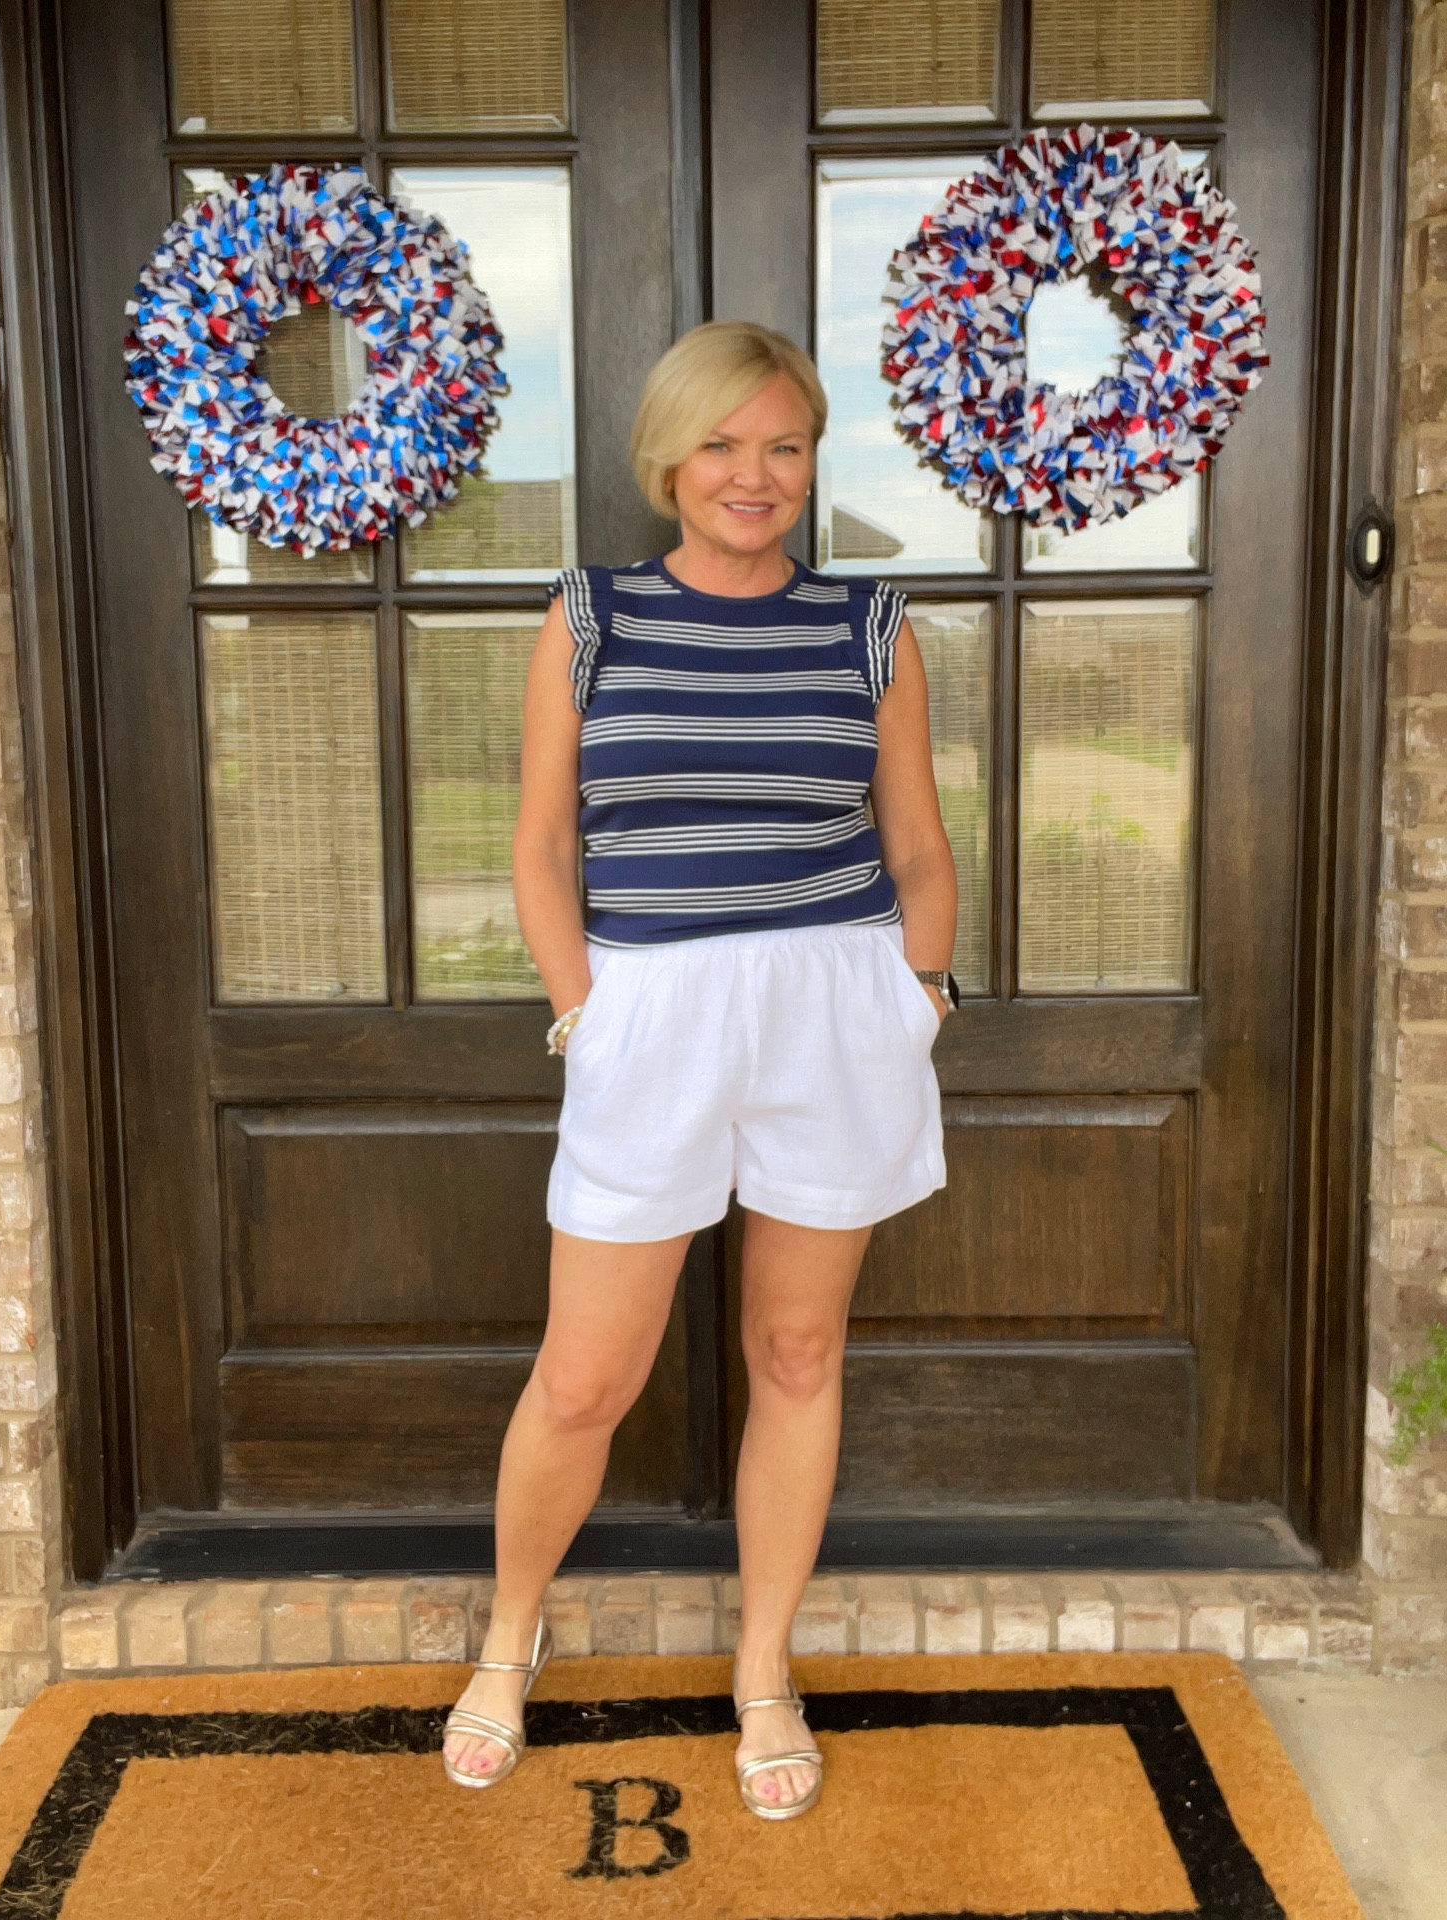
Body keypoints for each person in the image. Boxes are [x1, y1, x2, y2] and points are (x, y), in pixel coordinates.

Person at [441, 320, 958, 1819]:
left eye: (784, 446)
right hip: (651, 1013)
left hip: (836, 1004)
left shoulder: (871, 624)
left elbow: (917, 841)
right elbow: (543, 843)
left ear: (811, 461)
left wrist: (918, 995)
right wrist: (582, 1013)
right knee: (586, 1375)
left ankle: (765, 1667)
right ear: (667, 459)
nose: (755, 475)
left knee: (799, 1357)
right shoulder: (591, 613)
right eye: (723, 445)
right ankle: (507, 1639)